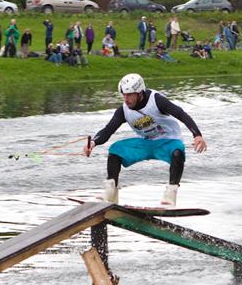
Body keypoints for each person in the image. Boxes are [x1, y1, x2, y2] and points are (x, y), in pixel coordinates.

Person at [83, 73, 207, 205]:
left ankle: (170, 196)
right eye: (124, 95)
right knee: (115, 150)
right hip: (146, 143)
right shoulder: (123, 111)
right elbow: (108, 130)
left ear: (140, 93)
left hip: (168, 142)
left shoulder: (156, 100)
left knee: (178, 152)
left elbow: (181, 114)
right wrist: (93, 142)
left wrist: (197, 135)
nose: (126, 99)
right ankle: (110, 194)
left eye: (130, 95)